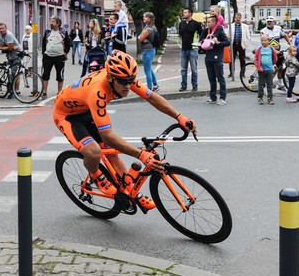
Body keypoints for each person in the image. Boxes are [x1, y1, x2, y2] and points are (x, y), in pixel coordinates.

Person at [52, 50, 196, 211]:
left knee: (111, 152)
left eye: (131, 81)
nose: (128, 86)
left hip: (86, 109)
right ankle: (95, 175)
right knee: (93, 151)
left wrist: (179, 117)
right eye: (123, 82)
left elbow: (151, 97)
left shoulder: (123, 77)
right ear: (110, 78)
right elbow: (107, 136)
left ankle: (131, 192)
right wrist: (141, 155)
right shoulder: (98, 92)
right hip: (67, 115)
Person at [199, 15, 229, 105]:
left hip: (217, 58)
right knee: (211, 78)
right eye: (206, 22)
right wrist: (202, 41)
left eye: (209, 22)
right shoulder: (206, 31)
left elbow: (227, 42)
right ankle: (213, 97)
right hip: (208, 57)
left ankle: (223, 98)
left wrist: (218, 42)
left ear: (214, 22)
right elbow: (201, 40)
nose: (207, 24)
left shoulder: (219, 31)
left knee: (220, 78)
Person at [40, 16, 71, 99]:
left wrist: (65, 52)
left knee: (60, 75)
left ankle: (59, 92)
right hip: (48, 56)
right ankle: (44, 92)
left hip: (59, 57)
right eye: (51, 21)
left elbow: (68, 43)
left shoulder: (63, 32)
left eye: (53, 22)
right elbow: (44, 42)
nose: (51, 23)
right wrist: (43, 52)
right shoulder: (48, 31)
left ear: (58, 23)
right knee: (45, 74)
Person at [260, 16, 291, 90]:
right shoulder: (263, 31)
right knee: (270, 70)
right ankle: (268, 85)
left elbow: (285, 35)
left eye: (270, 21)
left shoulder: (278, 28)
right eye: (268, 22)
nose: (269, 23)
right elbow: (263, 43)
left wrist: (290, 43)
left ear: (274, 22)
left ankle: (280, 84)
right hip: (268, 53)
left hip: (278, 52)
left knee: (281, 67)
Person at [0, 23, 23, 98]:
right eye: (0, 28)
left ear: (6, 28)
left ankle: (15, 90)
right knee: (10, 73)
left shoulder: (9, 35)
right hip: (9, 55)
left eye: (3, 28)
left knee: (14, 73)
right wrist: (7, 47)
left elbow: (9, 47)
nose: (1, 30)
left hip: (17, 55)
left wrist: (7, 47)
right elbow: (2, 47)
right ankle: (12, 90)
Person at [178, 8, 201, 92]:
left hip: (193, 49)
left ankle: (195, 86)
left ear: (190, 13)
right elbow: (180, 35)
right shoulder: (181, 24)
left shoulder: (196, 24)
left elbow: (201, 34)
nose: (183, 14)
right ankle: (183, 86)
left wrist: (199, 43)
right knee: (183, 69)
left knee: (194, 69)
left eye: (185, 12)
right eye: (183, 12)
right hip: (183, 49)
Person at [137, 12, 159, 91]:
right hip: (151, 49)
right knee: (149, 69)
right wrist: (141, 37)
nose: (143, 18)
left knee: (147, 70)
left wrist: (141, 37)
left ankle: (149, 88)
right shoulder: (152, 27)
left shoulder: (148, 29)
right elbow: (141, 37)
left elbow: (140, 39)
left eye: (145, 17)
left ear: (149, 19)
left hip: (147, 50)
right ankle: (155, 85)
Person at [254, 34, 278, 105]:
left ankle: (270, 98)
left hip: (269, 70)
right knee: (261, 85)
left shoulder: (271, 49)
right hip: (261, 70)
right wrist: (259, 67)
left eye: (265, 40)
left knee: (270, 84)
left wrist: (272, 64)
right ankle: (260, 97)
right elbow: (256, 59)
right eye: (262, 40)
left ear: (268, 41)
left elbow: (275, 58)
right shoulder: (259, 49)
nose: (263, 42)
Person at [228, 13, 252, 80]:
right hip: (233, 44)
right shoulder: (231, 26)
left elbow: (248, 37)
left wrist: (245, 44)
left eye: (239, 18)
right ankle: (231, 73)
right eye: (236, 18)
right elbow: (228, 35)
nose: (237, 19)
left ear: (241, 18)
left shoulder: (245, 26)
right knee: (232, 60)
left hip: (241, 45)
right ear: (234, 18)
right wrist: (229, 44)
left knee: (242, 60)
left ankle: (242, 73)